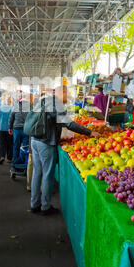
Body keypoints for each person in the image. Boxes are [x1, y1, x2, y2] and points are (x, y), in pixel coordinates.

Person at [30, 86, 100, 216]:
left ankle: (34, 204)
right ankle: (45, 206)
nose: (68, 96)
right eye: (67, 93)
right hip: (46, 143)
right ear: (62, 93)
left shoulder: (44, 101)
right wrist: (89, 132)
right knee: (47, 175)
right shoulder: (56, 104)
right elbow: (69, 124)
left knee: (37, 172)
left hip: (35, 140)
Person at [9, 95, 30, 164]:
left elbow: (11, 117)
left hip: (17, 129)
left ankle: (15, 162)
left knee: (16, 146)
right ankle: (24, 163)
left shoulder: (16, 106)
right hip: (26, 130)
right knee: (25, 147)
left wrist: (10, 127)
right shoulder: (29, 107)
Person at [0, 96, 13, 165]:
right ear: (11, 101)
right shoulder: (12, 108)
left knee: (2, 143)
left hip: (1, 128)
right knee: (10, 143)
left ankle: (2, 156)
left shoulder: (0, 108)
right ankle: (9, 158)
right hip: (9, 128)